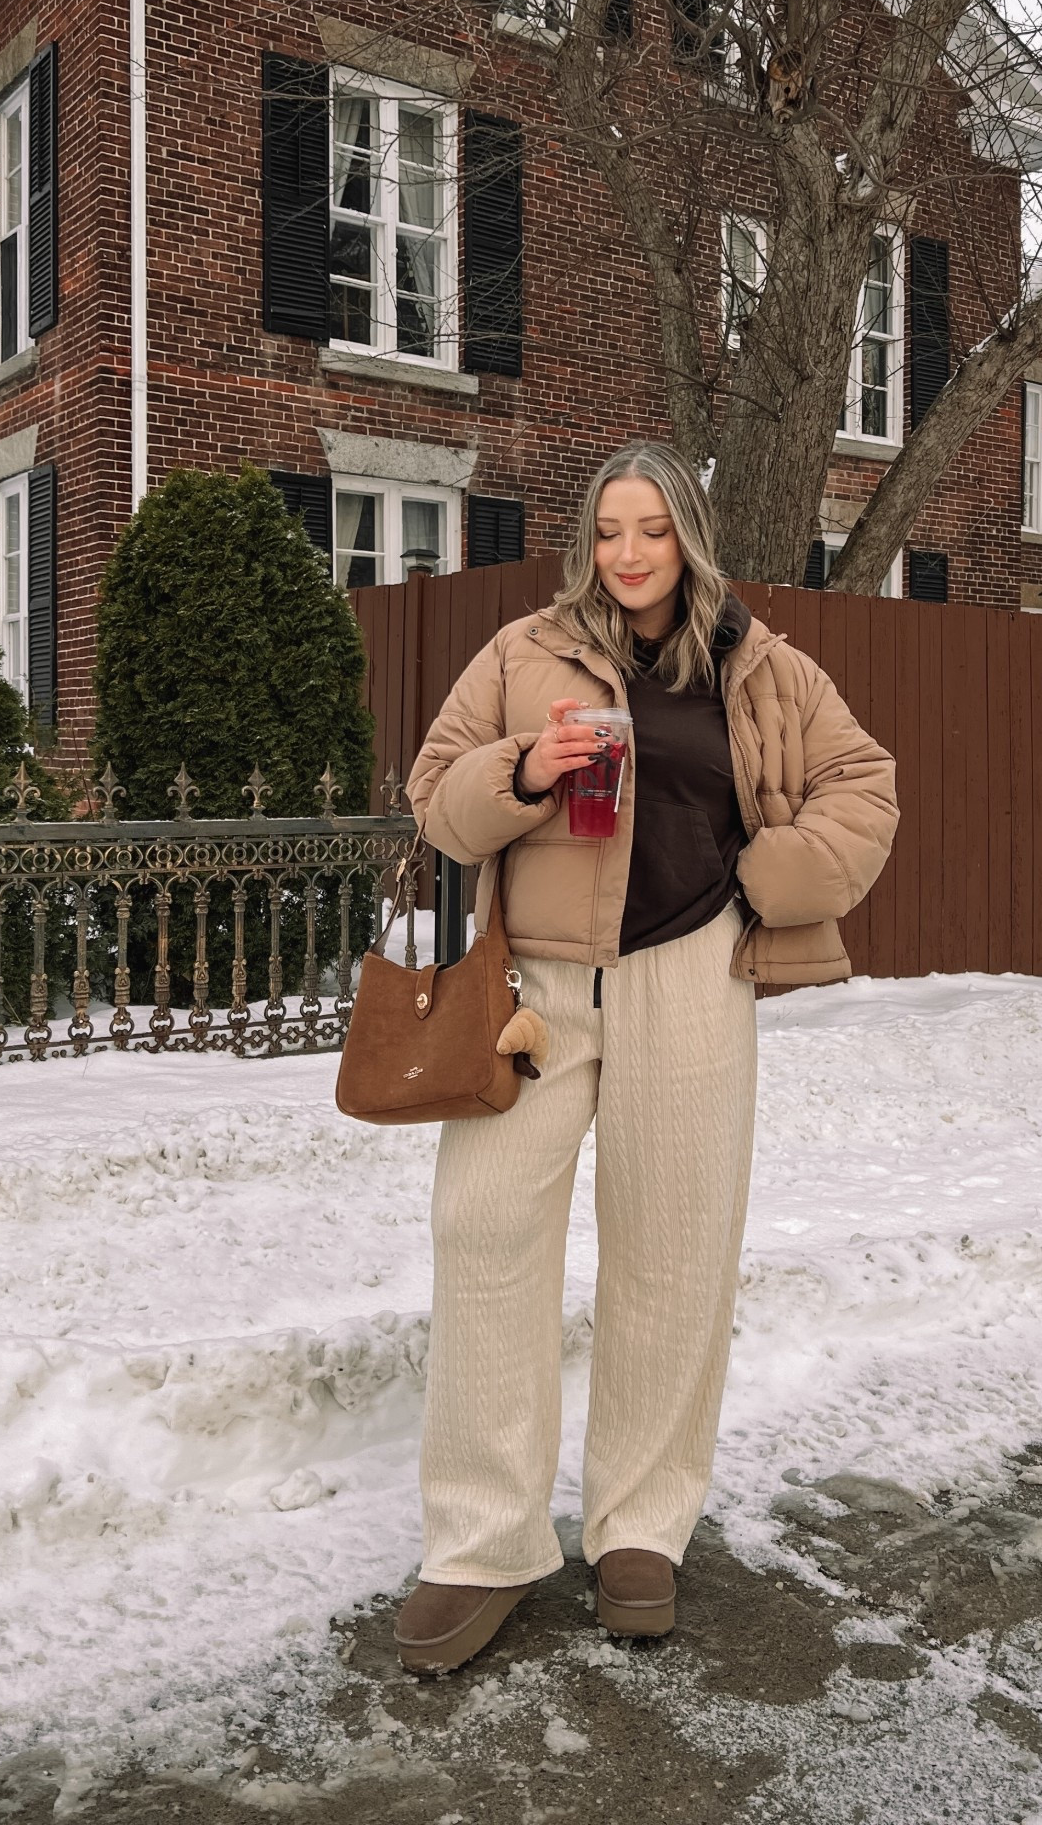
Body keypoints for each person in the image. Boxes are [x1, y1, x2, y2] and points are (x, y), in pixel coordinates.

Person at [397, 440, 898, 1674]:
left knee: (673, 1248)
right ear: (587, 540)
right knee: (483, 1229)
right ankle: (482, 1537)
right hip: (537, 989)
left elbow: (863, 784)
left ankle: (640, 1525)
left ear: (688, 536)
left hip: (692, 976)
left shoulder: (760, 664)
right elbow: (430, 790)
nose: (628, 552)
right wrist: (519, 768)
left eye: (652, 528)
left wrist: (772, 878)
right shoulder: (523, 653)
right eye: (609, 529)